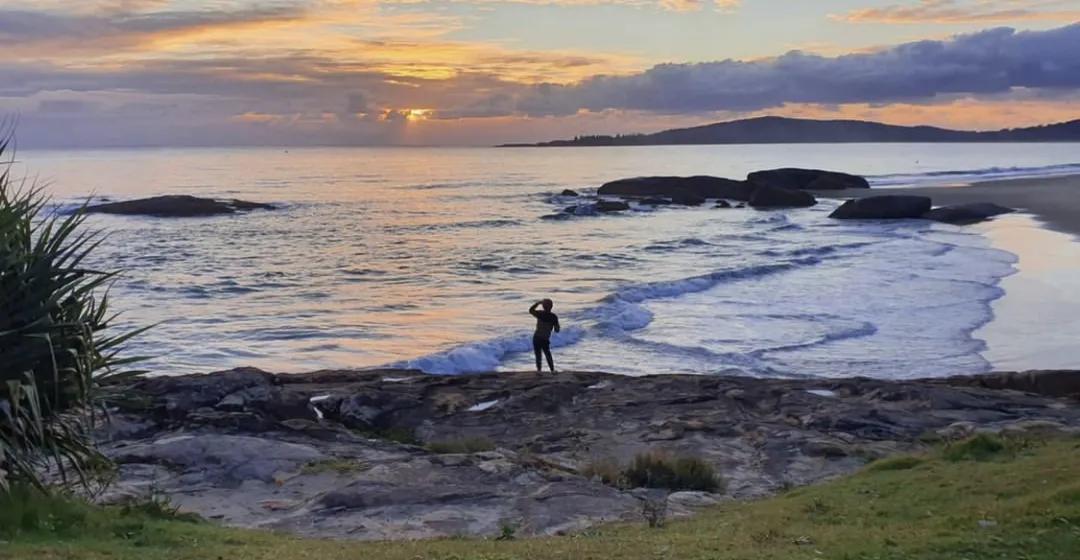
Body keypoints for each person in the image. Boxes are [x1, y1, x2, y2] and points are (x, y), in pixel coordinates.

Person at [529, 298, 560, 373]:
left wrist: (537, 303)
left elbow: (531, 310)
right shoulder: (553, 317)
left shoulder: (540, 314)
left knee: (538, 355)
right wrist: (555, 326)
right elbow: (557, 330)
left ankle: (539, 371)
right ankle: (552, 370)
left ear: (543, 306)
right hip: (545, 338)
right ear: (551, 306)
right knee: (547, 354)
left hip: (536, 337)